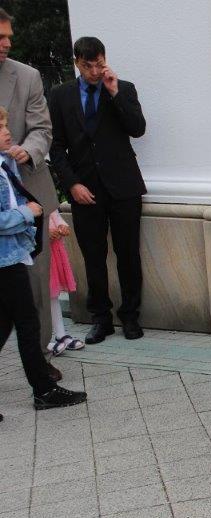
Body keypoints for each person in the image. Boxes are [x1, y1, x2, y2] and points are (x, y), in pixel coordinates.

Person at [48, 36, 147, 346]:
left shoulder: (123, 88)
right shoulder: (60, 95)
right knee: (93, 257)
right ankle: (100, 319)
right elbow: (56, 146)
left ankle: (130, 316)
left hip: (123, 186)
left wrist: (114, 92)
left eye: (99, 64)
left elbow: (138, 128)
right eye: (87, 66)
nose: (94, 71)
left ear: (105, 60)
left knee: (128, 254)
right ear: (77, 63)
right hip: (85, 189)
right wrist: (72, 184)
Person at [0, 106, 87, 419]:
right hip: (5, 260)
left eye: (5, 125)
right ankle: (44, 390)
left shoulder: (5, 163)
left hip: (11, 256)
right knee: (27, 322)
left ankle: (44, 389)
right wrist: (28, 213)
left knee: (7, 324)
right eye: (0, 127)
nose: (8, 132)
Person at [0, 9, 61, 381]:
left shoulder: (27, 76)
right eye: (0, 37)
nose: (8, 43)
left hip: (27, 196)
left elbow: (42, 128)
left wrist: (28, 149)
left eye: (9, 35)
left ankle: (39, 359)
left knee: (34, 284)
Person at [46, 211, 85, 355]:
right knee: (36, 297)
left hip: (50, 246)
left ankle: (60, 334)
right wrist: (42, 232)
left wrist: (61, 224)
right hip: (33, 249)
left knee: (52, 294)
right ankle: (40, 341)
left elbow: (52, 211)